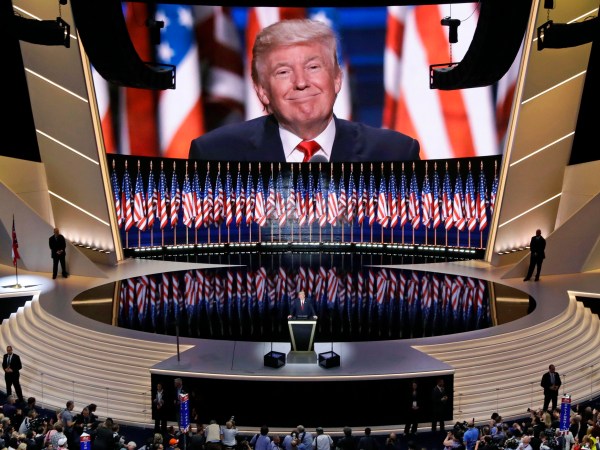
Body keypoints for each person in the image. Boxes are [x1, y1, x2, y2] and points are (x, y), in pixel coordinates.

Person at [189, 19, 420, 163]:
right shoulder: (216, 155)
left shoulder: (394, 153)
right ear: (262, 91)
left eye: (313, 67)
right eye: (283, 72)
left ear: (337, 79)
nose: (301, 82)